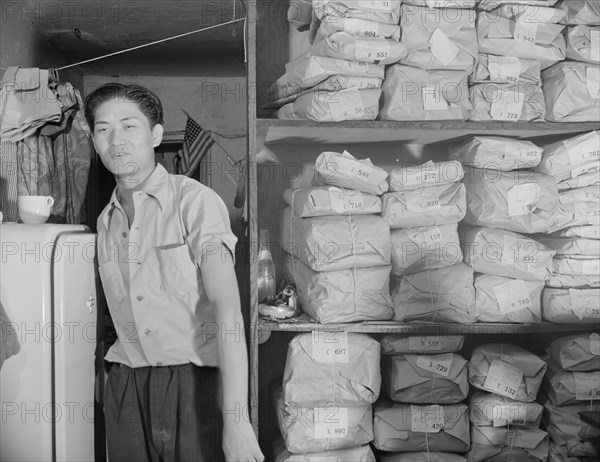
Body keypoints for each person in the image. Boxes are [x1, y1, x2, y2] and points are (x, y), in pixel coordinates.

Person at [85, 83, 264, 462]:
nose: (115, 140)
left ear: (155, 135)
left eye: (129, 126)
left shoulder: (194, 202)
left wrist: (237, 418)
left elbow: (228, 310)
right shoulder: (104, 222)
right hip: (125, 385)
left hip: (191, 383)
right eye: (103, 129)